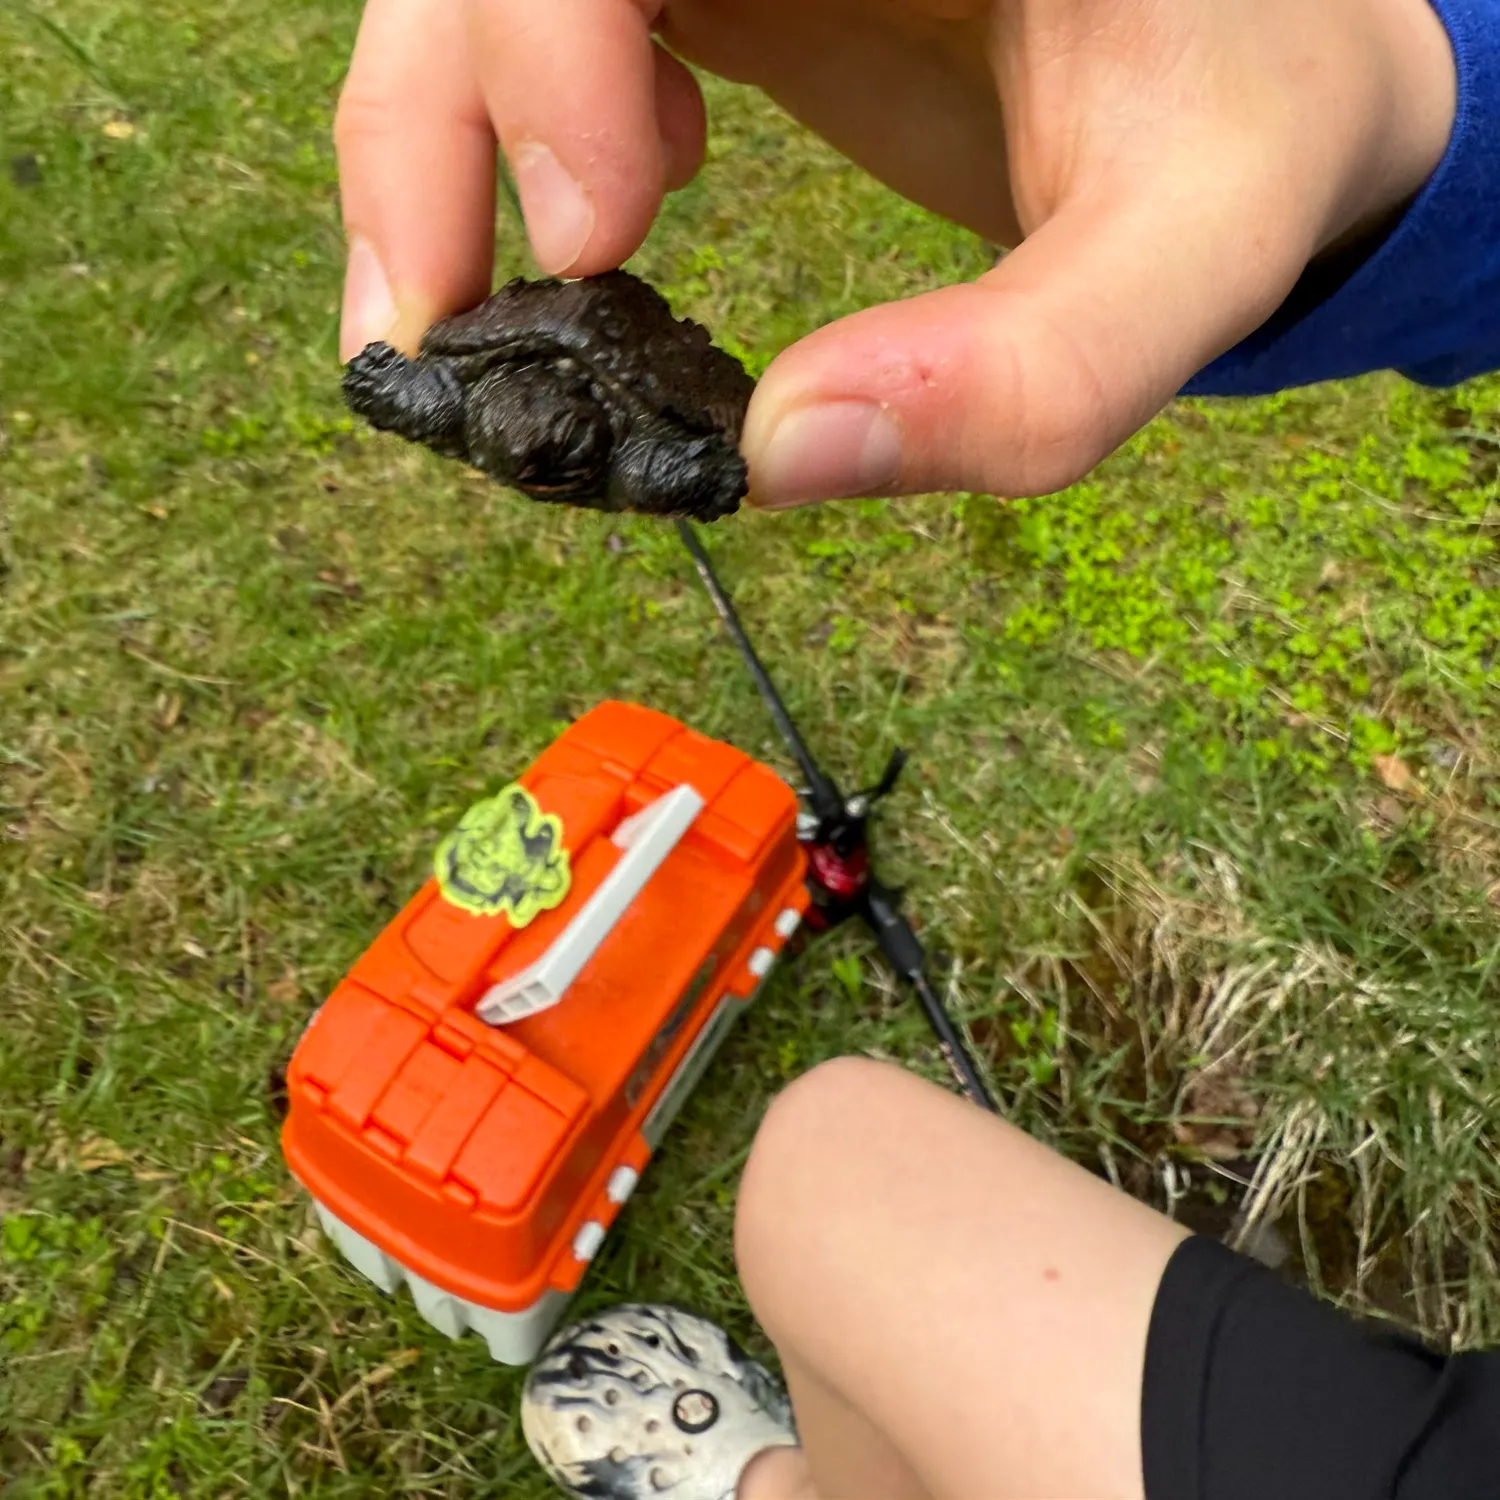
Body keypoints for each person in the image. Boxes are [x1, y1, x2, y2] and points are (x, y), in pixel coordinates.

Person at [328, 2, 1500, 1494]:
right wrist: (1413, 98)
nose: (522, 457)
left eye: (544, 451)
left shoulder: (592, 413)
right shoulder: (475, 384)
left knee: (828, 1166)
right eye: (518, 444)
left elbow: (619, 428)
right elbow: (419, 381)